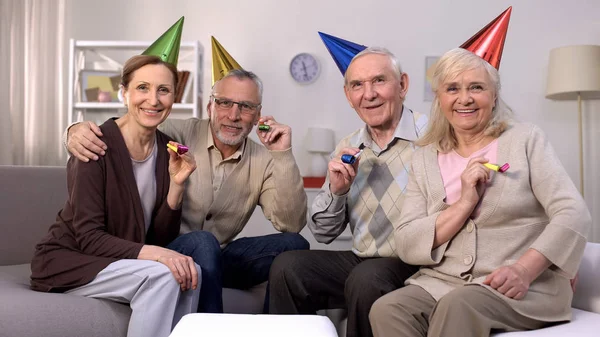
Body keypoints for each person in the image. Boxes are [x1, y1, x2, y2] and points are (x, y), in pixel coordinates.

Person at [368, 47, 591, 337]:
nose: (465, 98)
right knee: (387, 309)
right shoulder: (425, 157)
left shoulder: (525, 139)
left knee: (459, 305)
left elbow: (573, 213)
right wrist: (463, 205)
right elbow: (407, 241)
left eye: (476, 87)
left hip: (522, 285)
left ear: (494, 95)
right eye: (452, 88)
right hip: (443, 283)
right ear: (440, 98)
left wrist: (525, 270)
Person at [65, 68, 309, 313]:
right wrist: (74, 130)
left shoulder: (264, 159)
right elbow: (132, 125)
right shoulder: (176, 133)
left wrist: (282, 155)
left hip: (218, 259)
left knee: (295, 245)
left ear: (257, 115)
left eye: (245, 107)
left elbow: (290, 223)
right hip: (166, 251)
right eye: (224, 103)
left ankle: (273, 329)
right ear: (210, 107)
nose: (233, 115)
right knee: (203, 242)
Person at [30, 54, 201, 337]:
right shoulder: (94, 145)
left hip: (118, 263)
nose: (153, 100)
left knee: (190, 274)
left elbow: (158, 238)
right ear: (124, 93)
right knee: (164, 275)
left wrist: (177, 186)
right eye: (142, 88)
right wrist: (160, 255)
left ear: (174, 97)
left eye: (164, 90)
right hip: (69, 260)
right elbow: (88, 237)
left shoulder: (166, 149)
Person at [269, 47, 428, 337]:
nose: (369, 94)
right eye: (357, 85)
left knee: (367, 278)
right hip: (362, 260)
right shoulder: (348, 146)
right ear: (348, 95)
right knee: (287, 266)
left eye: (379, 80)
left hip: (416, 264)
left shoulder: (432, 136)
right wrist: (337, 191)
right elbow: (323, 233)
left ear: (402, 85)